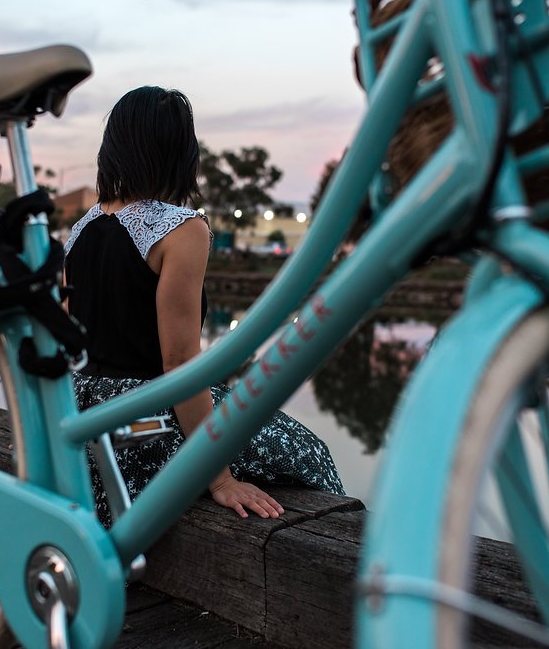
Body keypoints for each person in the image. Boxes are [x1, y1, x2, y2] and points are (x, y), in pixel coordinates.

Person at [63, 86, 344, 525]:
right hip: (144, 419)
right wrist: (220, 479)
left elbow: (65, 345)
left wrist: (48, 430)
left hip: (83, 413)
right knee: (306, 451)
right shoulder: (182, 229)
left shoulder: (80, 229)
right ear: (181, 152)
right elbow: (179, 363)